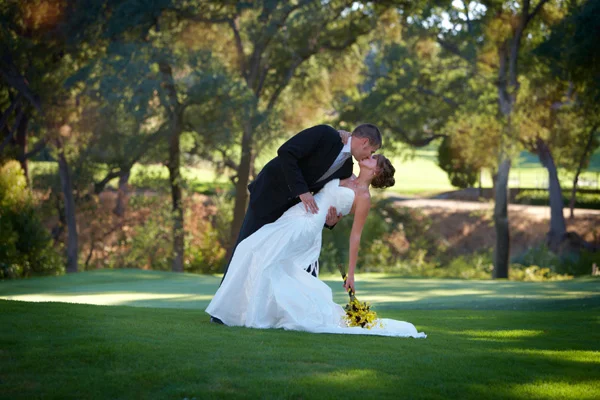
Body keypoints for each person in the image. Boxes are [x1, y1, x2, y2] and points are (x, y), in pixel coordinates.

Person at [206, 154, 426, 338]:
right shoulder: (346, 173)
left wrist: (350, 273)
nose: (368, 157)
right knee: (252, 249)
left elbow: (355, 236)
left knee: (265, 255)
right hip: (296, 213)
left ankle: (256, 314)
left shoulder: (364, 197)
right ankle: (249, 310)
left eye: (373, 159)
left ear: (376, 171)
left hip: (308, 225)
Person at [211, 124, 382, 325]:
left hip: (296, 214)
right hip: (269, 195)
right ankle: (222, 311)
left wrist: (331, 221)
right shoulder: (326, 134)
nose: (369, 155)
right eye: (371, 151)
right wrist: (301, 191)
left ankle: (285, 313)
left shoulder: (347, 168)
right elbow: (286, 152)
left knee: (288, 264)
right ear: (364, 142)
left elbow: (326, 197)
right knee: (246, 246)